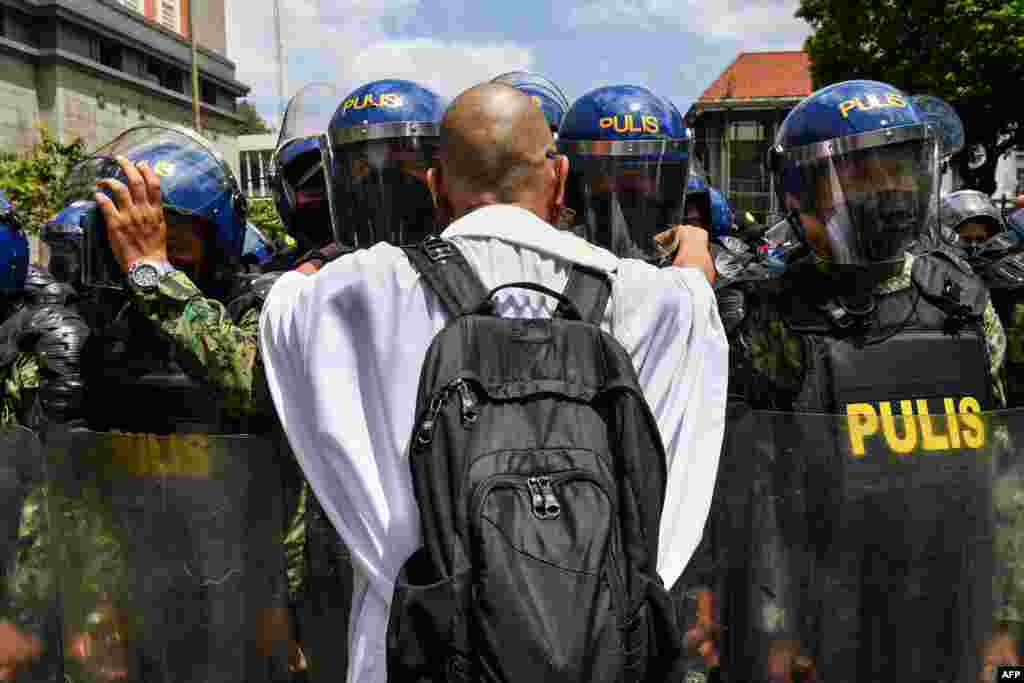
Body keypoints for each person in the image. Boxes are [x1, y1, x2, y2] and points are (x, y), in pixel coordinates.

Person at [259, 81, 728, 683]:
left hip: (414, 654)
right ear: (560, 179)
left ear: (433, 186)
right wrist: (693, 261)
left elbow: (285, 304)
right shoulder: (655, 301)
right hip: (601, 653)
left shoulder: (355, 295)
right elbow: (697, 305)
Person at [722, 79, 1007, 682]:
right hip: (826, 606)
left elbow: (999, 475)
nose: (887, 192)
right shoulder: (772, 312)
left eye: (898, 169)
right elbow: (755, 489)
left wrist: (1004, 621)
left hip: (952, 596)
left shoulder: (963, 302)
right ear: (804, 190)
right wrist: (774, 629)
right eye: (860, 175)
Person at [35, 124, 297, 682]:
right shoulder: (110, 331)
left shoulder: (262, 305)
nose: (144, 248)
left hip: (248, 591)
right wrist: (91, 602)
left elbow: (250, 382)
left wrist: (155, 275)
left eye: (166, 236)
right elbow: (78, 478)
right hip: (145, 588)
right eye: (128, 236)